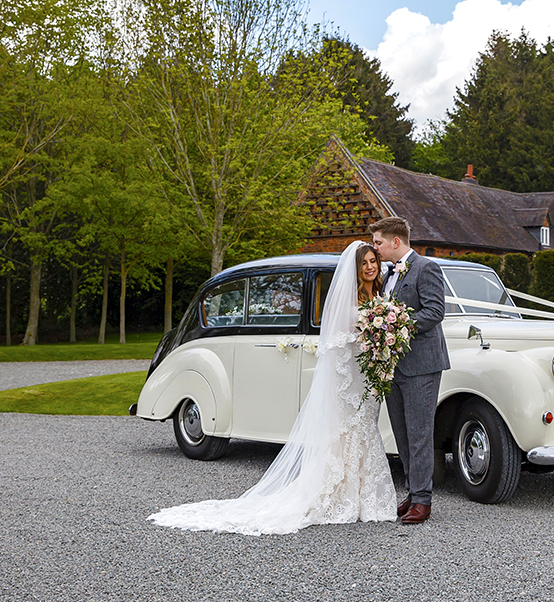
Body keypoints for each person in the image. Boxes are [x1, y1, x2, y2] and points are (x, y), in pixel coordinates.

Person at [148, 242, 397, 535]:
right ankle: (337, 494)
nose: (370, 267)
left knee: (363, 431)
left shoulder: (379, 295)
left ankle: (363, 497)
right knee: (344, 433)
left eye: (373, 262)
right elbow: (337, 338)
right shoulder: (347, 297)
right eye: (365, 263)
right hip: (349, 376)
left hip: (365, 374)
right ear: (355, 269)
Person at [369, 217, 449, 525]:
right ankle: (412, 493)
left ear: (395, 242)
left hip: (422, 365)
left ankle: (424, 501)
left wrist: (396, 324)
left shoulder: (426, 268)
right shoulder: (387, 274)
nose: (374, 249)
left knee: (418, 433)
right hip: (394, 366)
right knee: (401, 434)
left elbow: (434, 311)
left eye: (378, 243)